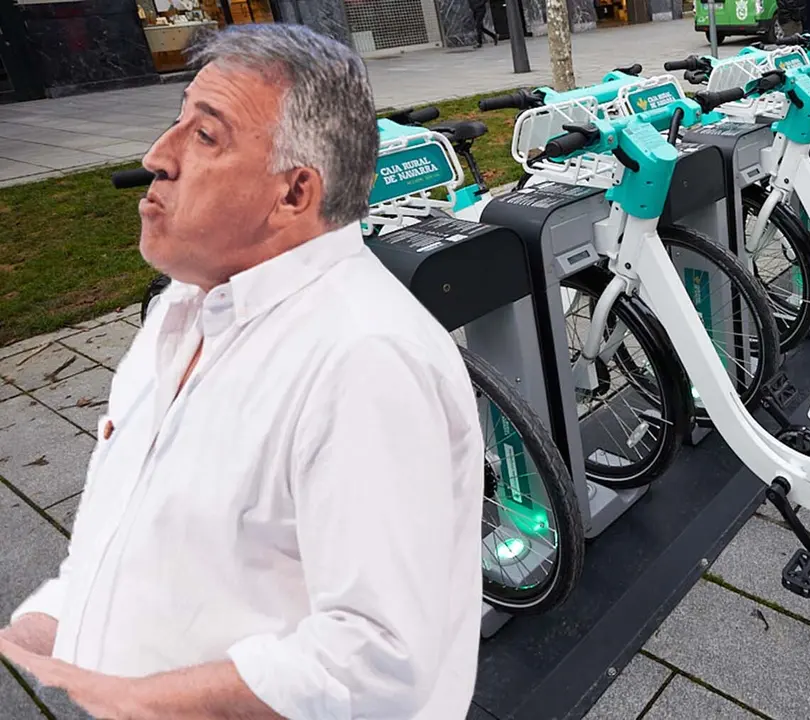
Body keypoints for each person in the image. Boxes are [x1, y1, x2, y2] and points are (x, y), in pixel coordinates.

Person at [0, 23, 484, 720]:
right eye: (176, 126)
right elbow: (141, 534)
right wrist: (47, 626)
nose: (155, 158)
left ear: (293, 194)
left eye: (205, 137)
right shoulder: (181, 312)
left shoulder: (361, 360)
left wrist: (135, 699)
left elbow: (377, 663)